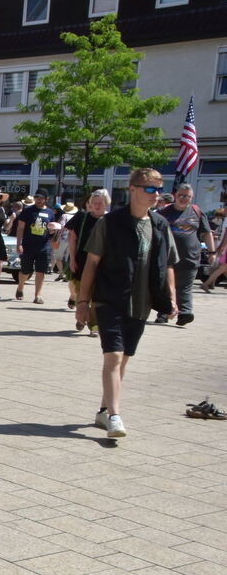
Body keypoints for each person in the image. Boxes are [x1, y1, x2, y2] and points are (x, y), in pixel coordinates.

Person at [75, 168, 178, 439]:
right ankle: (115, 416)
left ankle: (102, 409)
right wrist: (83, 301)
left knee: (123, 362)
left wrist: (172, 298)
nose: (156, 195)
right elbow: (91, 264)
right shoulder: (109, 224)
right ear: (132, 189)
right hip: (110, 299)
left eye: (159, 189)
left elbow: (168, 265)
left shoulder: (160, 225)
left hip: (141, 303)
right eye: (150, 189)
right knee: (114, 356)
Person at [158, 183, 214, 326]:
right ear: (175, 196)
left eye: (187, 196)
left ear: (191, 198)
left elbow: (206, 233)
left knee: (185, 286)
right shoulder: (163, 212)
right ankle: (164, 313)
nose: (183, 198)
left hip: (190, 256)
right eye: (181, 195)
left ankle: (185, 313)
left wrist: (212, 252)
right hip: (168, 257)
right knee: (166, 286)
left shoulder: (197, 212)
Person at [67, 189, 110, 336]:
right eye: (95, 203)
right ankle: (81, 316)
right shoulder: (82, 218)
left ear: (107, 204)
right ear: (90, 204)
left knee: (98, 296)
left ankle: (94, 325)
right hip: (82, 262)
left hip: (103, 265)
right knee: (81, 292)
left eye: (101, 203)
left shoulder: (111, 220)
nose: (97, 206)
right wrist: (72, 259)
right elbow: (72, 238)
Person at [14, 189, 57, 303]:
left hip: (44, 246)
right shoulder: (28, 211)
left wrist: (53, 231)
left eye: (41, 198)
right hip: (28, 245)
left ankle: (38, 295)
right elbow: (20, 228)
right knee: (25, 271)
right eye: (36, 197)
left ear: (46, 199)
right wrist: (19, 244)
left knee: (40, 271)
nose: (38, 200)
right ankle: (20, 287)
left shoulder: (50, 213)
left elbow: (51, 230)